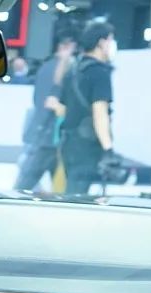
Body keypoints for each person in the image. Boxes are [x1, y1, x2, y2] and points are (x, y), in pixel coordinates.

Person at [51, 21, 117, 196]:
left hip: (68, 142)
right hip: (87, 146)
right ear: (101, 42)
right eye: (111, 40)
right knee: (77, 196)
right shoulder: (99, 73)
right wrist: (108, 148)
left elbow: (61, 107)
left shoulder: (73, 70)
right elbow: (100, 113)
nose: (112, 45)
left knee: (71, 190)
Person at [14, 33, 76, 191]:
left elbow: (38, 100)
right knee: (29, 183)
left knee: (28, 182)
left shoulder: (45, 67)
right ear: (64, 47)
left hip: (43, 133)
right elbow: (51, 102)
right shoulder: (62, 70)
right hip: (51, 135)